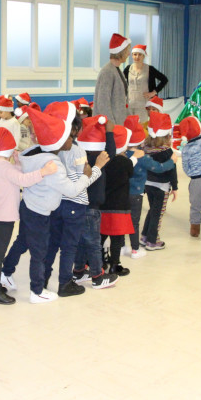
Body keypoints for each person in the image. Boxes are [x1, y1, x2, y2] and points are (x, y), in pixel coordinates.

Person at [1, 107, 103, 303]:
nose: (71, 140)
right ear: (57, 142)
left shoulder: (32, 152)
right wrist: (87, 175)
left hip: (29, 205)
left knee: (22, 241)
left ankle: (5, 271)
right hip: (39, 212)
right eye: (67, 137)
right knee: (39, 252)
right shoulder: (53, 165)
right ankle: (37, 291)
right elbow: (73, 190)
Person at [0, 128, 56, 304]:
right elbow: (23, 180)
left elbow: (13, 177)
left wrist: (16, 163)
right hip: (4, 219)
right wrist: (43, 172)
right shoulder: (5, 168)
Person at [43, 101, 105, 297]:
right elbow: (83, 180)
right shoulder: (76, 150)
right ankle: (64, 284)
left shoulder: (49, 148)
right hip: (75, 203)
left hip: (55, 203)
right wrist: (98, 167)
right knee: (69, 246)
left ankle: (42, 280)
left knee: (52, 244)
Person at [73, 115, 118, 288]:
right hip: (91, 208)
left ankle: (78, 271)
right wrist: (109, 132)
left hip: (80, 205)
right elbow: (111, 152)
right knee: (93, 242)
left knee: (82, 241)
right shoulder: (99, 159)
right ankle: (98, 276)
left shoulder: (80, 156)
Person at [122, 115, 175, 257]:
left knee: (124, 220)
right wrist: (173, 161)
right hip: (141, 193)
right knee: (140, 220)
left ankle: (127, 244)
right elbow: (160, 168)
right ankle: (143, 245)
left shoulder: (123, 154)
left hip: (127, 192)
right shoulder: (144, 156)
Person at [100, 125, 144, 274]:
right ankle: (114, 265)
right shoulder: (123, 162)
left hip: (103, 204)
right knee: (117, 239)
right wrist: (133, 158)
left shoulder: (103, 158)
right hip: (119, 206)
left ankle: (98, 263)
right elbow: (129, 171)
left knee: (101, 235)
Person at [141, 112, 178, 251]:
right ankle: (152, 241)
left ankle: (144, 236)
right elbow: (172, 171)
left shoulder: (146, 148)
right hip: (162, 187)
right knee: (158, 213)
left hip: (148, 185)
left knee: (152, 210)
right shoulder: (168, 152)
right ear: (168, 135)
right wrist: (175, 188)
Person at [123, 45, 168, 123]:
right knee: (129, 125)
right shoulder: (128, 69)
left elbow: (164, 79)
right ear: (132, 55)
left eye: (139, 54)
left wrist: (153, 92)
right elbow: (122, 83)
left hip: (143, 104)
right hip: (129, 104)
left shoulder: (150, 69)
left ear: (143, 56)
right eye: (135, 54)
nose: (137, 57)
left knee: (141, 127)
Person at [94, 33, 131, 126]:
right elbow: (103, 103)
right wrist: (111, 127)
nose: (129, 54)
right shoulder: (107, 72)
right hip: (110, 126)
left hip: (118, 123)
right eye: (127, 51)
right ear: (121, 52)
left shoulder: (117, 70)